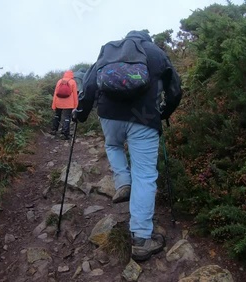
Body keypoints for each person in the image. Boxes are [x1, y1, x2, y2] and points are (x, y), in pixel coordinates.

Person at [74, 30, 182, 261]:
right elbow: (174, 89)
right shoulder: (156, 53)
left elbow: (90, 85)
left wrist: (80, 115)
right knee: (144, 175)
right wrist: (165, 112)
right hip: (144, 117)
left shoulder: (109, 50)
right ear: (146, 39)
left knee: (113, 146)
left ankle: (123, 181)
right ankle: (141, 239)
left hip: (109, 115)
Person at [50, 70, 78, 140]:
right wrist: (75, 105)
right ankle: (64, 134)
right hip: (68, 104)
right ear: (72, 75)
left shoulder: (59, 81)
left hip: (58, 103)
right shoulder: (73, 82)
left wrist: (54, 104)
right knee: (66, 118)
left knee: (57, 116)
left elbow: (55, 94)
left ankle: (54, 130)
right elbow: (75, 95)